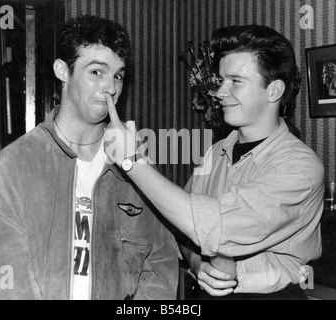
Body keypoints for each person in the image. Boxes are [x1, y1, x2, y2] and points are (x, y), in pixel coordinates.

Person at [104, 24, 324, 300]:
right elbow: (180, 227)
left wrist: (132, 161)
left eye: (236, 81)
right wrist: (197, 263)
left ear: (274, 91)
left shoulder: (301, 168)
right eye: (221, 80)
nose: (219, 93)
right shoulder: (217, 151)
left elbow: (215, 226)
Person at [0, 14, 178, 300]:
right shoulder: (16, 165)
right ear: (63, 71)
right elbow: (1, 275)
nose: (111, 88)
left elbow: (161, 264)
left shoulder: (136, 167)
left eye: (118, 75)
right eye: (97, 72)